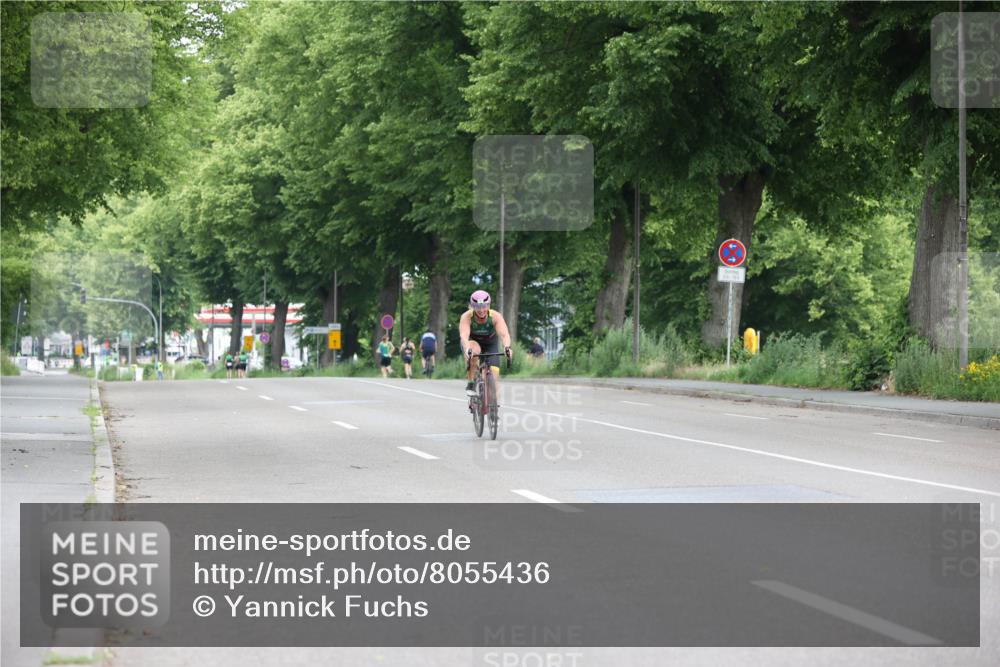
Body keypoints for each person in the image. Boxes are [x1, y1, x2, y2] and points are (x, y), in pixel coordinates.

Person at [458, 290, 512, 396]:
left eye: (484, 306)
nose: (481, 310)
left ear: (489, 305)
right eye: (478, 307)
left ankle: (493, 407)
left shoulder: (495, 316)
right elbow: (464, 336)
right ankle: (471, 382)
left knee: (494, 377)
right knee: (474, 351)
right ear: (473, 307)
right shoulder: (467, 316)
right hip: (473, 343)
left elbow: (504, 335)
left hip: (490, 344)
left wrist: (507, 347)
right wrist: (467, 349)